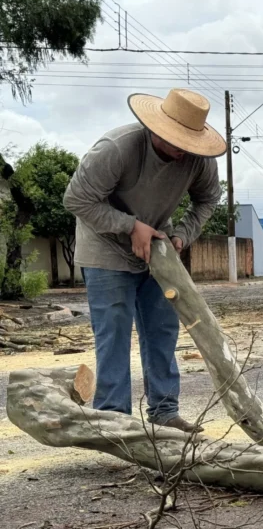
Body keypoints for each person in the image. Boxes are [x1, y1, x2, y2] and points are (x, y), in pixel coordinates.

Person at [64, 88, 226, 432]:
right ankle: (114, 420)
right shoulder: (117, 149)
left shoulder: (197, 158)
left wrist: (184, 233)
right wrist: (129, 226)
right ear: (155, 128)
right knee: (114, 334)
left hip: (158, 245)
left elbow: (208, 198)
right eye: (174, 140)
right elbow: (77, 199)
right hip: (104, 249)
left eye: (188, 141)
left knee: (163, 330)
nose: (182, 149)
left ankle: (165, 413)